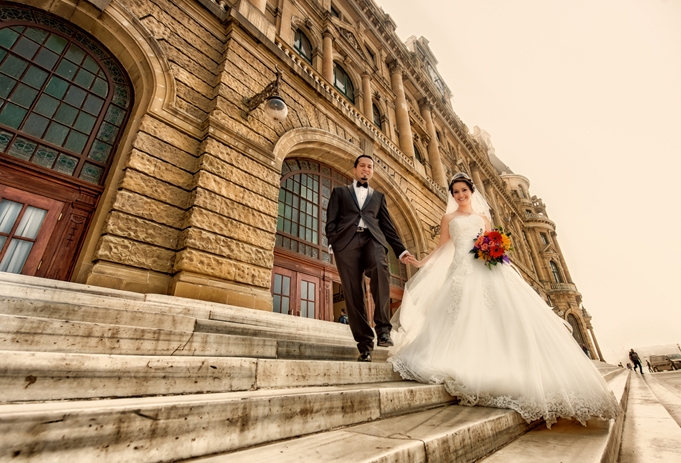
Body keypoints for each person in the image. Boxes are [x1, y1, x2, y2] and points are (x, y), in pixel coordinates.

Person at [387, 172, 620, 428]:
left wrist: (494, 252)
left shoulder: (483, 218)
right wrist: (421, 262)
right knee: (460, 316)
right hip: (460, 271)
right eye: (456, 192)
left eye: (464, 190)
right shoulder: (448, 218)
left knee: (500, 317)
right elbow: (443, 246)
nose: (460, 195)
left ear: (471, 192)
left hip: (486, 269)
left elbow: (489, 242)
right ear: (452, 195)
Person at [325, 155, 412, 362]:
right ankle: (364, 346)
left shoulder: (379, 197)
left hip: (373, 239)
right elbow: (331, 220)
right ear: (355, 169)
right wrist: (332, 241)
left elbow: (388, 227)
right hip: (346, 243)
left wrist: (401, 251)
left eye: (370, 167)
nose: (366, 169)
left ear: (372, 172)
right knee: (353, 293)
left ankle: (383, 330)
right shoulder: (339, 192)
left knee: (381, 271)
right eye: (362, 166)